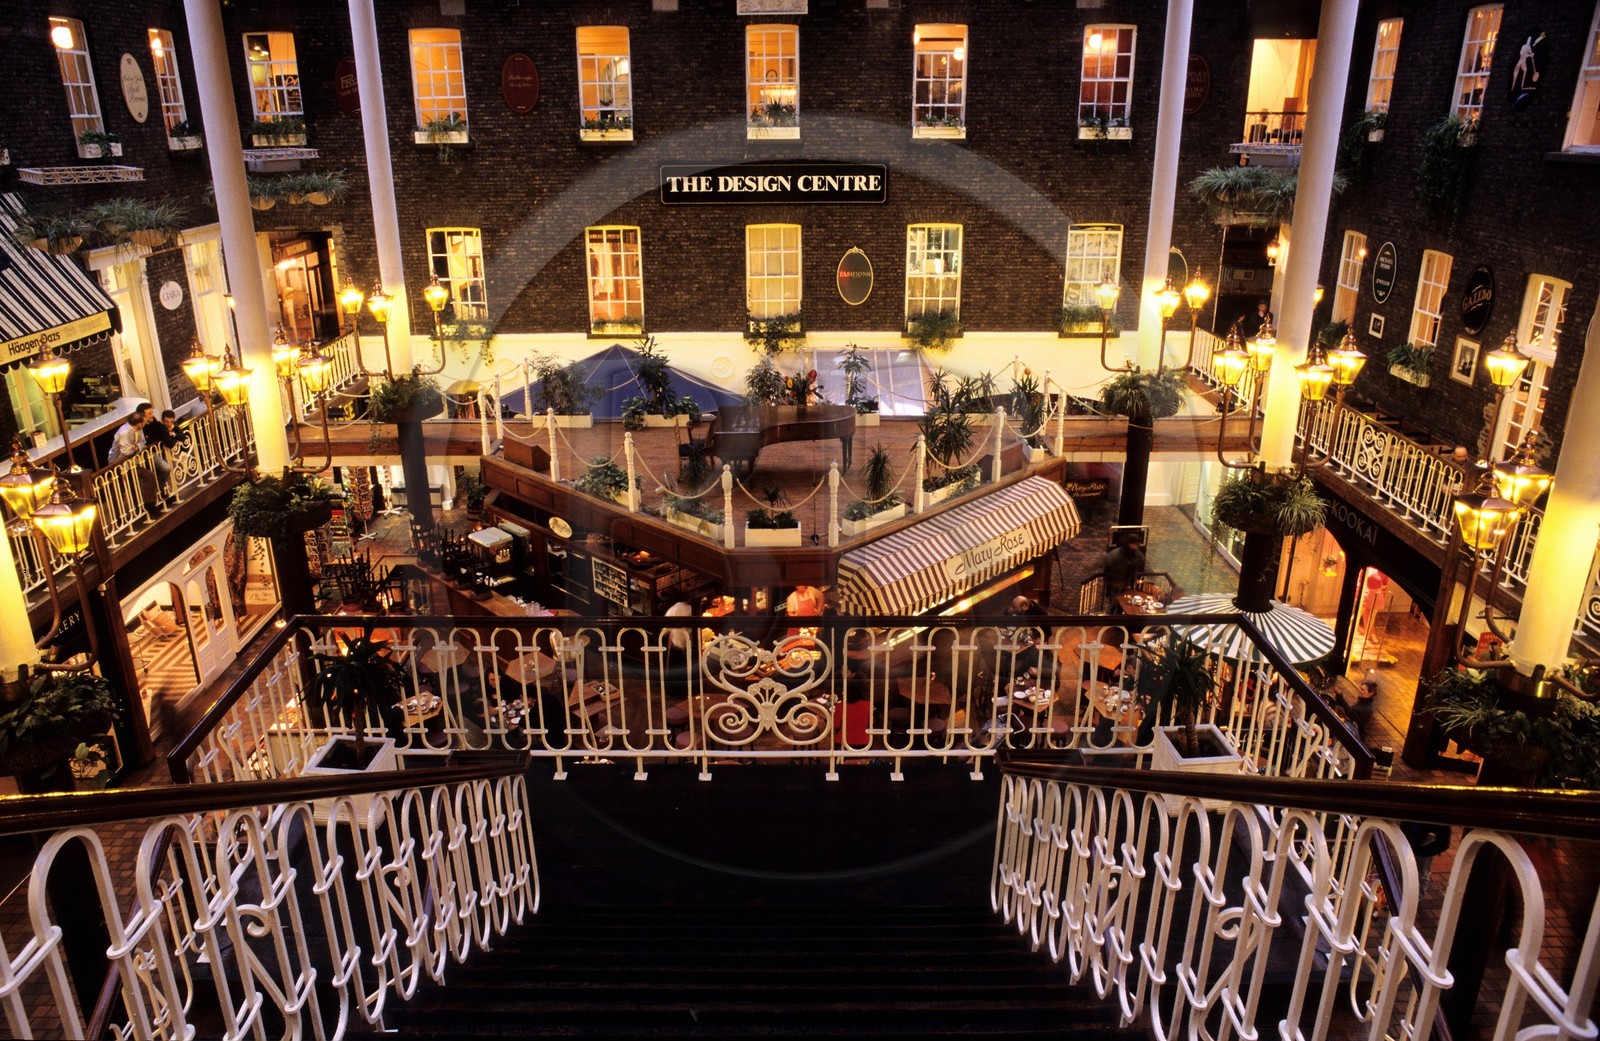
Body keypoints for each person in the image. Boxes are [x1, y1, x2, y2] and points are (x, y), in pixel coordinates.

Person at [1097, 531, 1146, 604]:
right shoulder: (1116, 554)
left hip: (1128, 584)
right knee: (1115, 603)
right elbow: (1102, 562)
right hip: (1116, 585)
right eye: (1135, 544)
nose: (1137, 546)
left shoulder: (1135, 553)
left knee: (1126, 602)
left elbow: (1142, 560)